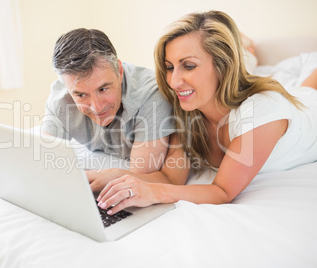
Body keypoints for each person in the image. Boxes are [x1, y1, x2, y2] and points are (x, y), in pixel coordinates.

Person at [95, 10, 317, 215]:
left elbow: (222, 192)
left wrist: (152, 193)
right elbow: (171, 177)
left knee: (306, 90)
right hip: (280, 95)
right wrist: (113, 177)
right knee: (294, 87)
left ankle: (246, 50)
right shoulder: (187, 110)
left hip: (309, 111)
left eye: (188, 66)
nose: (173, 81)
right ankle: (247, 51)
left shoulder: (262, 110)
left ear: (222, 64)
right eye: (169, 67)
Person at [41, 28, 175, 176]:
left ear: (119, 70)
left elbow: (139, 179)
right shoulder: (60, 98)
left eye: (103, 89)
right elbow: (45, 161)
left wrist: (83, 178)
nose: (97, 107)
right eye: (81, 95)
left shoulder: (152, 94)